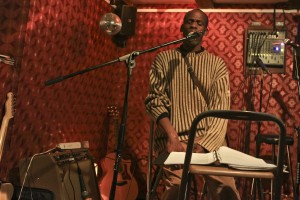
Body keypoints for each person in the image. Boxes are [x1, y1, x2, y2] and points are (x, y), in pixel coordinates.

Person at [145, 8, 241, 200]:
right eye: (190, 21)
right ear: (182, 27)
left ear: (205, 31)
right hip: (174, 139)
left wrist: (204, 145)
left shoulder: (217, 65)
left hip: (208, 140)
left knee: (227, 190)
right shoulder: (164, 60)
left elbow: (220, 109)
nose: (194, 26)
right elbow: (155, 100)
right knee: (175, 191)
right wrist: (172, 137)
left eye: (199, 23)